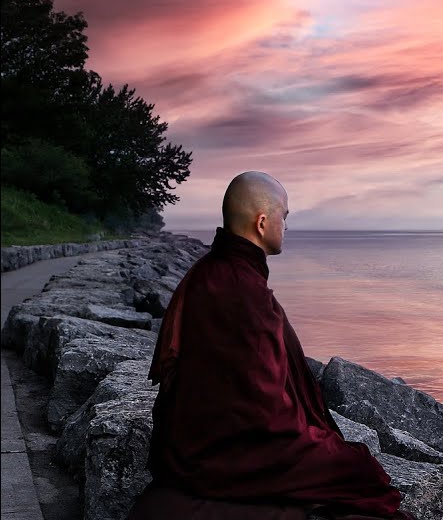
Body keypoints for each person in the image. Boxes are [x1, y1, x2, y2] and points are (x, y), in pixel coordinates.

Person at [128, 171, 409, 520]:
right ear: (262, 223)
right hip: (225, 451)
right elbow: (265, 408)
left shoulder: (208, 271)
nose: (286, 226)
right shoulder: (242, 291)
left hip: (190, 437)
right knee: (364, 472)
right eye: (284, 217)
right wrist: (313, 439)